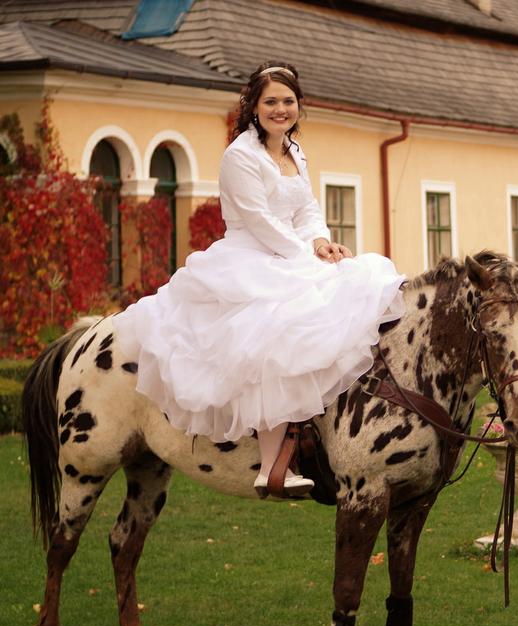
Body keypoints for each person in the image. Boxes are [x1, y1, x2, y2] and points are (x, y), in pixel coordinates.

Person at [113, 61, 405, 496]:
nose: (280, 109)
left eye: (288, 101)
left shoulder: (295, 153)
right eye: (271, 101)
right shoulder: (240, 156)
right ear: (254, 106)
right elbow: (260, 220)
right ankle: (271, 466)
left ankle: (345, 431)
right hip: (251, 257)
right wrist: (305, 259)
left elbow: (306, 209)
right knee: (274, 334)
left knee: (365, 282)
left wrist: (321, 242)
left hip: (293, 252)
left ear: (298, 106)